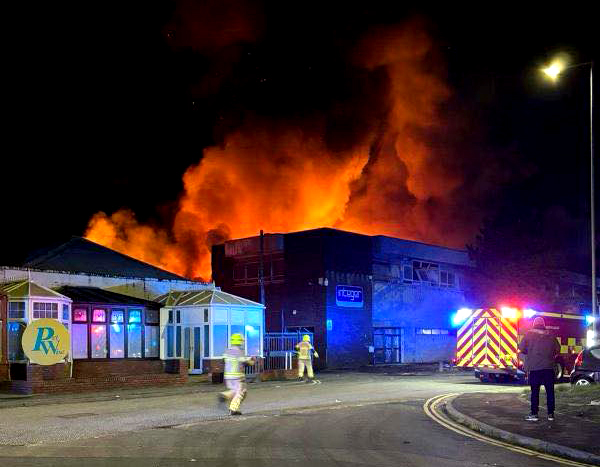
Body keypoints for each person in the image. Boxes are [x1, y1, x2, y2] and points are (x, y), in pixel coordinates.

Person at [518, 316, 560, 422]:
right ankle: (551, 414)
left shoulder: (529, 334)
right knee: (550, 392)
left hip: (535, 368)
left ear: (534, 324)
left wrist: (530, 352)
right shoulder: (551, 334)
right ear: (544, 324)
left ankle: (534, 414)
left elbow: (521, 348)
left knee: (535, 391)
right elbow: (558, 349)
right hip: (548, 367)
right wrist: (550, 356)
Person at [218, 333, 255, 415]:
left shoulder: (227, 350)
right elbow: (245, 361)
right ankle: (233, 409)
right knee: (241, 392)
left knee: (235, 391)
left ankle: (225, 395)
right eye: (242, 341)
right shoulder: (239, 351)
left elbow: (223, 361)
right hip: (237, 376)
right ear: (239, 342)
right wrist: (252, 361)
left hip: (228, 376)